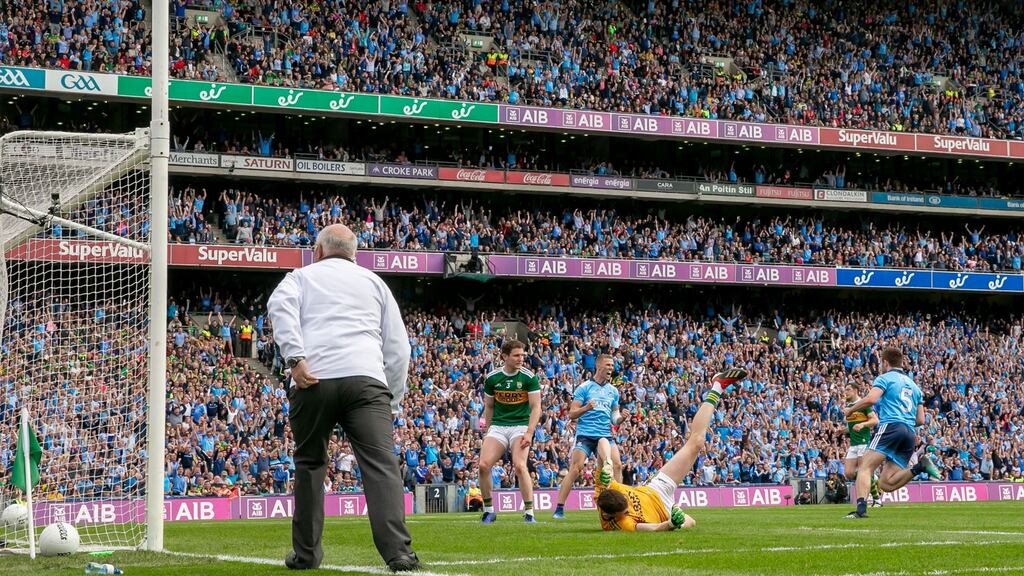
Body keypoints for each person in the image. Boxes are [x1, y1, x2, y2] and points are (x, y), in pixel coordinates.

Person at [267, 223, 419, 571]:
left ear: (317, 251)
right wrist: (391, 399)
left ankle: (306, 555)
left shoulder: (300, 277)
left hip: (312, 380)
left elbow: (279, 306)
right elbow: (399, 348)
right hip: (366, 381)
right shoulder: (374, 282)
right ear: (354, 254)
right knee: (381, 467)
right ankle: (398, 553)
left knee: (309, 465)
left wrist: (295, 359)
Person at [594, 368, 748, 531]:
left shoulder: (605, 490)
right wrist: (671, 523)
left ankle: (717, 386)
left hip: (654, 488)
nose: (628, 510)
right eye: (625, 511)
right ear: (613, 516)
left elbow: (602, 441)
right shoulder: (621, 524)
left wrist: (607, 463)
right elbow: (654, 529)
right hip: (665, 512)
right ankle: (677, 519)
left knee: (697, 442)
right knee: (689, 522)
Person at [843, 348, 941, 519]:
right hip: (909, 433)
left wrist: (850, 410)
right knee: (886, 483)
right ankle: (921, 467)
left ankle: (860, 510)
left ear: (885, 362)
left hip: (891, 427)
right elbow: (921, 420)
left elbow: (871, 399)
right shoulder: (914, 386)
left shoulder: (885, 378)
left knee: (865, 467)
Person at [553, 354, 627, 519]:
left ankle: (619, 507)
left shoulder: (613, 391)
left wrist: (621, 418)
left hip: (605, 434)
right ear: (598, 366)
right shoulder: (584, 388)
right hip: (586, 434)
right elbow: (572, 414)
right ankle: (559, 508)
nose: (611, 368)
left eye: (612, 365)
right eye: (608, 365)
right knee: (575, 469)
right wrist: (586, 408)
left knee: (617, 466)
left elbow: (614, 416)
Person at [478, 340, 542, 523]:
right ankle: (489, 510)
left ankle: (529, 512)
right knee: (483, 466)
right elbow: (489, 407)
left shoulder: (529, 377)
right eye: (516, 355)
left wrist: (529, 432)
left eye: (522, 355)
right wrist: (488, 431)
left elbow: (536, 407)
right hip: (498, 426)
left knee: (520, 465)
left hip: (520, 426)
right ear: (504, 357)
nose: (521, 358)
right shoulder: (492, 378)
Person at [843, 383, 882, 507]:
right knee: (849, 473)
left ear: (855, 390)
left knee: (862, 472)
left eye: (848, 390)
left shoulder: (864, 404)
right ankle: (873, 479)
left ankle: (876, 499)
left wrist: (863, 425)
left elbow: (875, 420)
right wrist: (843, 431)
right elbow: (853, 426)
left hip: (864, 443)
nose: (846, 392)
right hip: (854, 444)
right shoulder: (848, 406)